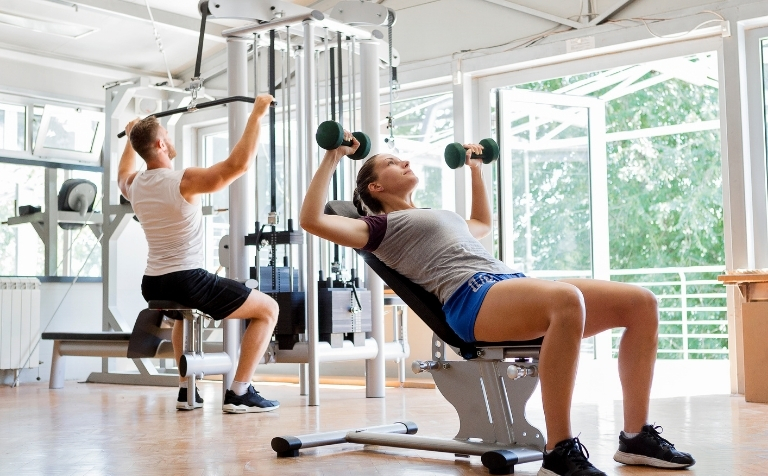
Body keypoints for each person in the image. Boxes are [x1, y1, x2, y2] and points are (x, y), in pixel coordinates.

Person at [299, 133, 695, 475]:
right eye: (390, 162)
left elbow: (482, 223)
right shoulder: (378, 228)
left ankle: (635, 438)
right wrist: (333, 156)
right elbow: (313, 220)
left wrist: (475, 170)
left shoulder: (437, 214)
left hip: (507, 286)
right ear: (374, 188)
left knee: (641, 303)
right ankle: (559, 451)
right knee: (565, 299)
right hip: (470, 300)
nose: (403, 161)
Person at [118, 94, 280, 414]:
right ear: (161, 144)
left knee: (182, 315)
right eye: (166, 133)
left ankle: (185, 389)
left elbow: (123, 170)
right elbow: (239, 166)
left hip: (153, 283)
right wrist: (257, 114)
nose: (169, 136)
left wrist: (131, 134)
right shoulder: (183, 180)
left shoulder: (133, 184)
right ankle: (240, 392)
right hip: (186, 278)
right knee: (268, 309)